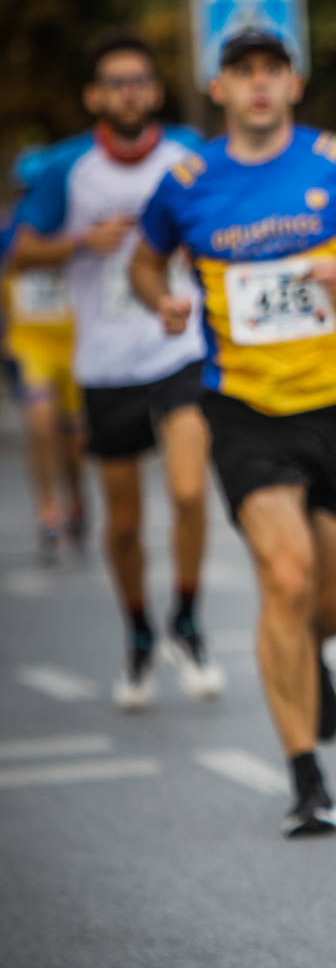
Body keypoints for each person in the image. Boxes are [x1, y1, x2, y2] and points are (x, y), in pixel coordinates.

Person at [131, 26, 336, 838]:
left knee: (333, 600)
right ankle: (305, 774)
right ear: (218, 89)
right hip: (243, 406)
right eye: (242, 73)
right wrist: (160, 298)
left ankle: (312, 653)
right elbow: (144, 260)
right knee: (285, 578)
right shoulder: (188, 181)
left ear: (293, 84)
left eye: (272, 71)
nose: (258, 85)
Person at [9, 35, 223, 708]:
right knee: (124, 523)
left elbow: (221, 224)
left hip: (180, 348)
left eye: (139, 80)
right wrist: (78, 242)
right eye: (114, 82)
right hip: (104, 366)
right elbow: (18, 251)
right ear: (95, 96)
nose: (128, 91)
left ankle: (185, 619)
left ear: (155, 92)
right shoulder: (67, 170)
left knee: (190, 492)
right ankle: (137, 631)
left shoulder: (188, 154)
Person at [2, 146, 87, 562]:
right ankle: (47, 509)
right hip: (30, 343)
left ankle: (75, 500)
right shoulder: (11, 233)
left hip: (73, 344)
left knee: (73, 439)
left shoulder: (76, 225)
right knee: (39, 423)